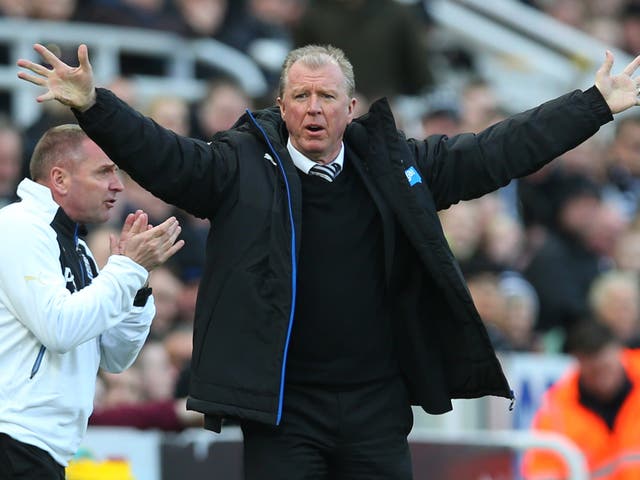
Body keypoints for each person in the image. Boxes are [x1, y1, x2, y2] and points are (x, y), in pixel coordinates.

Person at [16, 42, 640, 480]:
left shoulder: (396, 166)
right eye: (300, 96)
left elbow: (498, 150)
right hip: (284, 411)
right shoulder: (238, 167)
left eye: (326, 96)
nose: (313, 108)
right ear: (282, 107)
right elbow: (164, 156)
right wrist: (94, 105)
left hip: (376, 407)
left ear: (350, 108)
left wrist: (595, 105)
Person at [0, 124, 184, 479]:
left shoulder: (80, 249)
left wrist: (138, 283)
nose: (117, 185)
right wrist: (127, 268)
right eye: (104, 171)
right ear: (60, 179)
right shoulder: (18, 226)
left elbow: (114, 357)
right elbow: (59, 329)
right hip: (12, 439)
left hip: (45, 448)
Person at [521, 321, 640, 479]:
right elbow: (542, 471)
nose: (602, 381)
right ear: (579, 364)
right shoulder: (557, 411)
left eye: (607, 369)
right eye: (594, 373)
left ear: (619, 353)